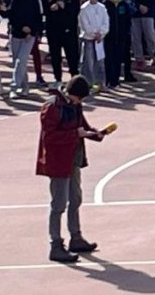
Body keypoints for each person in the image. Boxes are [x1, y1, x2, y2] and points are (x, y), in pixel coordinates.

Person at [37, 75, 111, 263]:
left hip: (73, 158)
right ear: (73, 93)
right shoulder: (52, 107)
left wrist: (96, 134)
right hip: (58, 160)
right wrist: (74, 134)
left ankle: (75, 237)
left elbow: (82, 127)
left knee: (75, 199)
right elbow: (50, 138)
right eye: (81, 98)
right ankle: (55, 244)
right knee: (59, 203)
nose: (81, 102)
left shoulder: (74, 104)